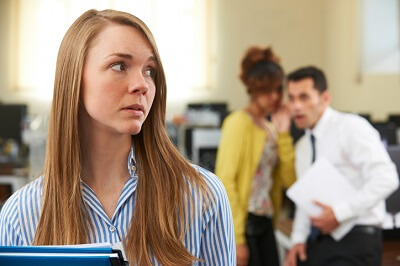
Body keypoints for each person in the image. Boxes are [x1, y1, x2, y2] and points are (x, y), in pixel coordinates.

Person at [0, 9, 236, 265]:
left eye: (149, 70)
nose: (142, 84)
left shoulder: (202, 196)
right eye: (119, 66)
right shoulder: (21, 214)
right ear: (74, 79)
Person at [284, 66, 399, 266]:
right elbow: (306, 199)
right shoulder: (303, 147)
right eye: (291, 98)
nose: (296, 107)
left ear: (325, 98)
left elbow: (387, 178)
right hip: (320, 240)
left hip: (357, 237)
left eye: (304, 97)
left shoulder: (350, 127)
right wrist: (297, 240)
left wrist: (339, 213)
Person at [215, 46, 296, 266]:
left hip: (267, 219)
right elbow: (226, 181)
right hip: (245, 223)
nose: (274, 96)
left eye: (278, 90)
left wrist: (284, 134)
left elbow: (290, 180)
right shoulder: (237, 123)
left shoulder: (272, 128)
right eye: (267, 90)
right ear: (253, 89)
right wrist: (237, 238)